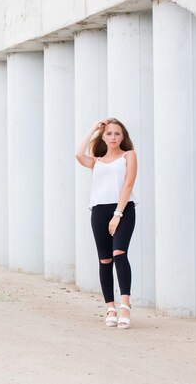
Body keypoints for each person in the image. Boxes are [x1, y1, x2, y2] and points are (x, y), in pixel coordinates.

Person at [75, 117, 137, 329]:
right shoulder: (97, 161)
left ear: (123, 137)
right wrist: (94, 127)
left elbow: (128, 184)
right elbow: (78, 154)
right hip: (99, 211)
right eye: (109, 133)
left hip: (123, 209)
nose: (113, 137)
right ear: (103, 136)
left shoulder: (129, 156)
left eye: (117, 133)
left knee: (119, 254)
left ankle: (124, 306)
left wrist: (118, 214)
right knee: (105, 261)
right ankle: (110, 307)